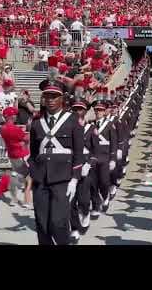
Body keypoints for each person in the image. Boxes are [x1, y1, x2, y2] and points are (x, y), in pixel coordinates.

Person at [27, 80, 85, 245]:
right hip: (41, 178)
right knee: (42, 224)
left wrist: (74, 179)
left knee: (58, 223)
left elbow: (79, 152)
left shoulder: (73, 120)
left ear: (62, 98)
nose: (50, 99)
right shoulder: (37, 122)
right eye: (47, 96)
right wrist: (28, 173)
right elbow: (33, 153)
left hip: (63, 178)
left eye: (54, 96)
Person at [69, 100, 97, 243]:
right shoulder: (68, 127)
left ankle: (85, 213)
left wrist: (88, 164)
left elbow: (95, 151)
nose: (77, 111)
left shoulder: (91, 129)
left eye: (80, 109)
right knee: (70, 201)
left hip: (85, 166)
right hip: (71, 166)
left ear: (85, 112)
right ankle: (74, 228)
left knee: (84, 200)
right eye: (75, 109)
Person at [89, 98, 117, 217]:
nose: (98, 112)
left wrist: (113, 159)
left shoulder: (110, 125)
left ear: (105, 111)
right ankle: (96, 205)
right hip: (93, 158)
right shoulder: (90, 124)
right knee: (93, 183)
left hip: (105, 158)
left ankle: (105, 196)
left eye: (100, 110)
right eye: (96, 110)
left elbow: (114, 142)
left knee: (104, 182)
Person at [0, 107, 31, 208]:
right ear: (11, 116)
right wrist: (29, 127)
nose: (16, 116)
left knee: (14, 175)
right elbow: (26, 138)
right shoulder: (15, 129)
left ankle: (13, 199)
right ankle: (26, 201)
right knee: (28, 178)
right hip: (21, 154)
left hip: (12, 154)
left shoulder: (3, 128)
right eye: (14, 115)